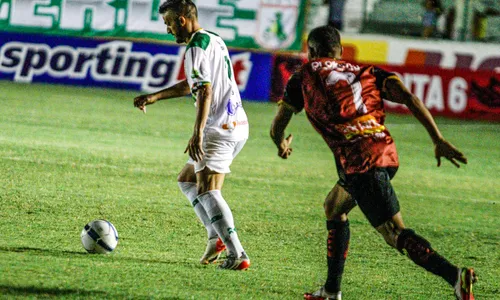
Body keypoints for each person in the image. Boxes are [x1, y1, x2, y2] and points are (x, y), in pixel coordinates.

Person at [270, 25, 476, 299]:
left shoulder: (303, 77)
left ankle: (454, 276)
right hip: (383, 150)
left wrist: (281, 143)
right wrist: (437, 139)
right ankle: (331, 291)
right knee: (334, 206)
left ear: (312, 52)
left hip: (360, 161)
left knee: (394, 233)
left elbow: (277, 126)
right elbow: (409, 97)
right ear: (340, 52)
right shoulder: (366, 72)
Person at [133, 0, 250, 270]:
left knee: (208, 190)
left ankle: (237, 254)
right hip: (237, 125)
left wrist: (197, 133)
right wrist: (156, 96)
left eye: (169, 23)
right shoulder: (213, 40)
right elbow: (195, 84)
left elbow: (206, 91)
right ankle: (215, 238)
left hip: (218, 128)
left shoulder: (195, 47)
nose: (168, 30)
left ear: (182, 20)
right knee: (188, 180)